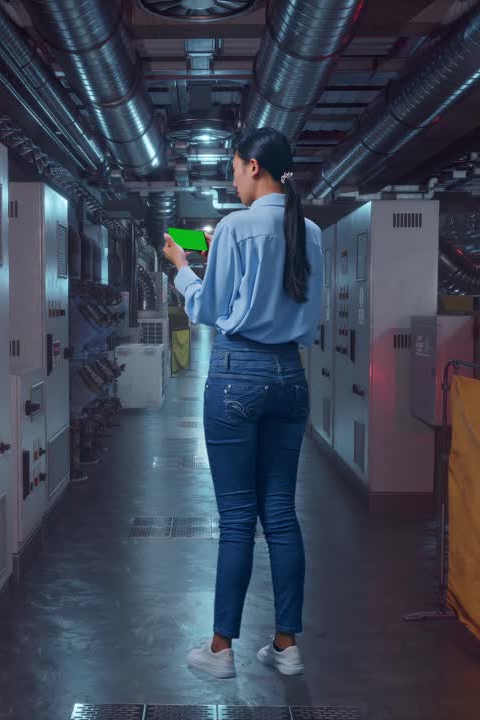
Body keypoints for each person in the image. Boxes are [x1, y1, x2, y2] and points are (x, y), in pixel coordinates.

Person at [163, 127, 324, 679]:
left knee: (236, 520)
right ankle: (285, 644)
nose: (232, 180)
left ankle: (221, 649)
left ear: (254, 166)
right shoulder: (312, 233)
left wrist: (183, 271)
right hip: (289, 376)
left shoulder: (235, 228)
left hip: (237, 373)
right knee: (280, 511)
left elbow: (209, 308)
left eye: (233, 169)